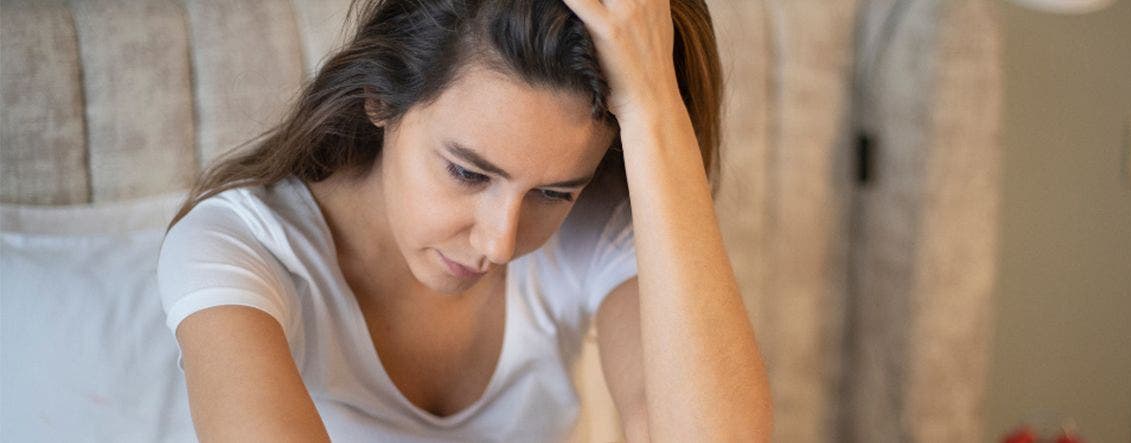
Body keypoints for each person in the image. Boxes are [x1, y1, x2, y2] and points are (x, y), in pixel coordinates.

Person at [157, 0, 771, 441]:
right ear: (380, 97)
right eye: (468, 173)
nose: (501, 243)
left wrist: (653, 102)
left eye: (554, 193)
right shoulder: (239, 250)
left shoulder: (595, 228)